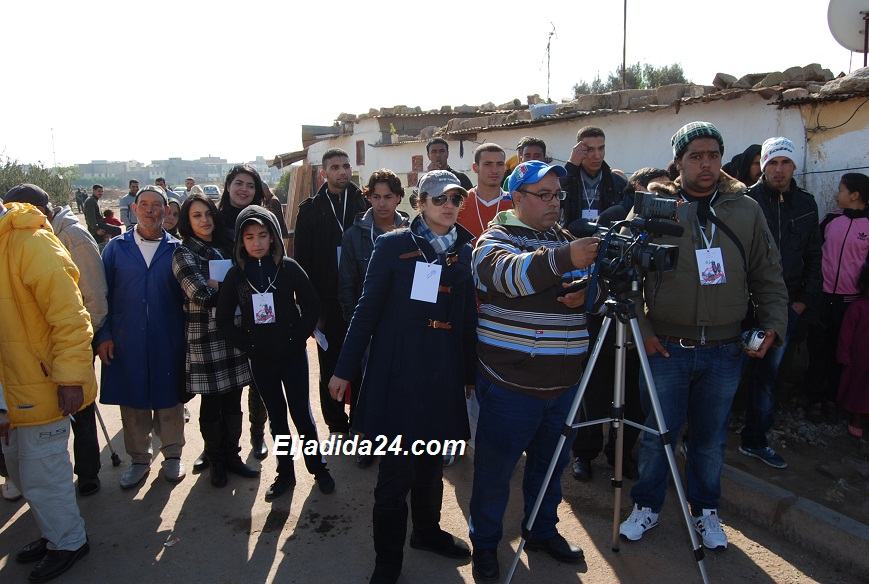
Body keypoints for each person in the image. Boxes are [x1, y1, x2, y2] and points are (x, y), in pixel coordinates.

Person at [618, 121, 788, 550]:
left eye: (713, 155)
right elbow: (623, 269)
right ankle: (647, 506)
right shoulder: (655, 205)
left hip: (726, 349)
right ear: (679, 161)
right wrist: (642, 326)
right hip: (666, 348)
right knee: (658, 435)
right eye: (695, 156)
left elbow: (767, 273)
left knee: (711, 441)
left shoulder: (744, 209)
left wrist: (772, 325)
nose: (706, 163)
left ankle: (706, 512)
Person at [329, 170, 476, 584]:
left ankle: (427, 534)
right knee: (395, 474)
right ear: (419, 202)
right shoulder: (392, 245)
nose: (448, 205)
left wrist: (466, 371)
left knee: (431, 465)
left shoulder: (466, 247)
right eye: (438, 198)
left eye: (455, 199)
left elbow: (465, 315)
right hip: (397, 376)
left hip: (442, 375)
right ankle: (387, 561)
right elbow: (366, 309)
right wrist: (343, 369)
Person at [469, 160, 603, 580]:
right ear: (517, 198)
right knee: (495, 472)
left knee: (550, 468)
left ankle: (542, 530)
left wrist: (588, 294)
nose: (553, 202)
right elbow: (509, 276)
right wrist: (565, 258)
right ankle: (486, 545)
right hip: (512, 383)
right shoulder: (495, 239)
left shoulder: (564, 237)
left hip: (563, 383)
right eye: (543, 195)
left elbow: (595, 291)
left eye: (557, 194)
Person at [0, 196, 94, 582]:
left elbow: (71, 317)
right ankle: (53, 533)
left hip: (41, 386)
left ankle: (69, 542)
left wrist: (70, 378)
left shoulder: (32, 242)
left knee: (44, 474)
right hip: (9, 392)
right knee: (23, 473)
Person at [216, 206, 333, 501]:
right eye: (249, 237)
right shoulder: (236, 276)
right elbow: (224, 320)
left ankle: (318, 468)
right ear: (241, 241)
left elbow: (313, 305)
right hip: (260, 359)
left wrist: (297, 338)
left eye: (263, 235)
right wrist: (249, 346)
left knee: (302, 415)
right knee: (277, 419)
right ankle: (285, 473)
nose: (257, 242)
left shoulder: (289, 267)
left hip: (293, 356)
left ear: (273, 237)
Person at [4, 184, 108, 496]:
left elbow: (93, 292)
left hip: (71, 340)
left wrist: (84, 343)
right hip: (33, 349)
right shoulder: (16, 238)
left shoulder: (69, 236)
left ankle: (88, 471)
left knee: (81, 407)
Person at [568, 168, 671, 483]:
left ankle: (621, 454)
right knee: (594, 395)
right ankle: (584, 454)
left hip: (642, 329)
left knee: (632, 398)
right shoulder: (617, 221)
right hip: (606, 320)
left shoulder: (670, 237)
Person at [97, 185, 187, 489]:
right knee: (133, 401)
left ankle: (172, 455)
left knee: (169, 399)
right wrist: (104, 335)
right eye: (144, 205)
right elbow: (102, 295)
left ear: (166, 211)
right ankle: (138, 459)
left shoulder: (176, 250)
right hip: (127, 339)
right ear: (134, 210)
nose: (150, 210)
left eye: (157, 205)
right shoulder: (115, 249)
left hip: (168, 337)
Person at [740, 137, 821, 468]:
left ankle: (755, 440)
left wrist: (801, 303)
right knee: (725, 376)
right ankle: (699, 438)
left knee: (768, 379)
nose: (778, 169)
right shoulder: (744, 201)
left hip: (784, 307)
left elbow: (815, 257)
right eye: (772, 162)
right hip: (742, 307)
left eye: (785, 163)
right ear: (762, 164)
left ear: (794, 166)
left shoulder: (806, 204)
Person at [172, 193, 259, 488]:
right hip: (206, 337)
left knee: (234, 399)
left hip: (235, 333)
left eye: (207, 214)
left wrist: (221, 285)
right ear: (188, 220)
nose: (204, 220)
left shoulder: (226, 247)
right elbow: (200, 294)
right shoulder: (183, 254)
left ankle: (233, 456)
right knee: (211, 403)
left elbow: (247, 284)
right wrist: (228, 288)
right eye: (197, 216)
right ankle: (216, 461)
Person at [337, 169, 409, 469]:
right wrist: (359, 329)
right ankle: (365, 439)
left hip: (404, 326)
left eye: (388, 197)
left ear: (399, 198)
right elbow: (347, 286)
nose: (382, 204)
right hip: (370, 327)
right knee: (367, 385)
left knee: (400, 386)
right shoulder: (354, 235)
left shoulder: (413, 232)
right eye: (376, 197)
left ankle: (396, 440)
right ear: (368, 197)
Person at [294, 148, 368, 435]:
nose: (342, 172)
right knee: (330, 364)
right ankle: (336, 425)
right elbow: (302, 264)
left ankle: (359, 422)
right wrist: (308, 312)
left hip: (361, 298)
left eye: (346, 166)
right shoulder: (310, 210)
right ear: (323, 173)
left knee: (362, 364)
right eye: (335, 167)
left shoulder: (363, 203)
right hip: (326, 303)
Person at [805, 173, 869, 424]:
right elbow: (813, 253)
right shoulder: (830, 219)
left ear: (855, 195)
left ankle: (832, 399)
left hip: (850, 303)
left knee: (839, 353)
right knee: (818, 349)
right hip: (822, 298)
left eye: (841, 190)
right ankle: (814, 399)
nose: (836, 194)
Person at [217, 164, 269, 459]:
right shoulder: (213, 220)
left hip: (257, 306)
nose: (244, 189)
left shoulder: (263, 220)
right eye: (239, 183)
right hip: (221, 308)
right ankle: (222, 445)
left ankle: (257, 435)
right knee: (225, 384)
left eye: (250, 185)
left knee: (257, 380)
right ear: (228, 186)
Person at [559, 125, 628, 229]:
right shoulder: (569, 178)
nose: (597, 155)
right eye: (590, 149)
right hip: (572, 240)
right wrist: (571, 165)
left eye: (601, 148)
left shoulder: (617, 182)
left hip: (605, 241)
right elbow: (552, 196)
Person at [837, 259, 869, 437]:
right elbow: (845, 335)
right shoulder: (858, 308)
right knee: (858, 390)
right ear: (864, 286)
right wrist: (844, 357)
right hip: (859, 360)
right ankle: (855, 419)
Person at [458, 143, 511, 242]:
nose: (495, 170)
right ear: (475, 167)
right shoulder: (460, 202)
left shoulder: (516, 204)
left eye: (499, 164)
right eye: (488, 164)